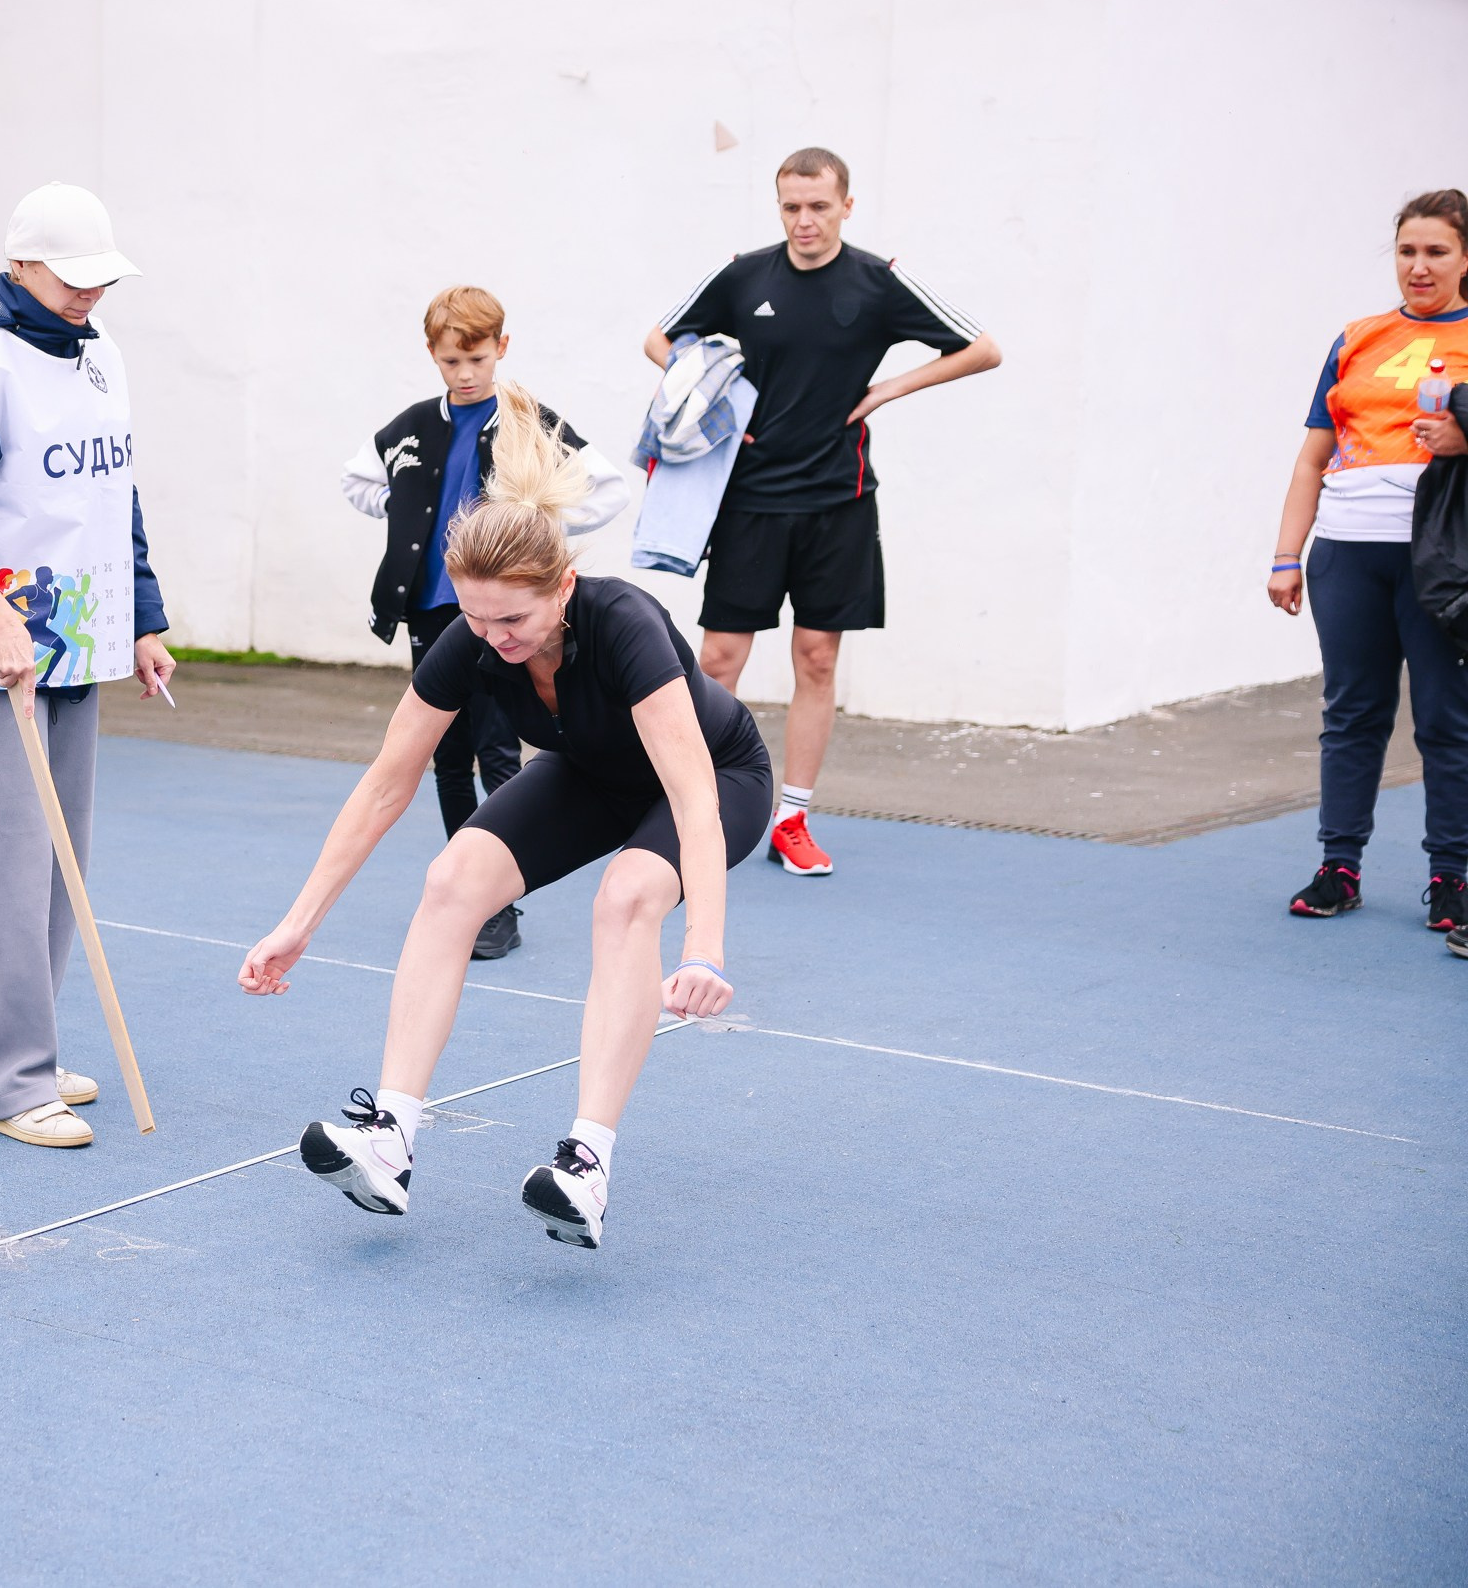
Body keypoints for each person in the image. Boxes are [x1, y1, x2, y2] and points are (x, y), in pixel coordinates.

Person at [242, 392, 771, 1251]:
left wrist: (703, 945)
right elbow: (385, 786)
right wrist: (298, 923)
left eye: (513, 618)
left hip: (712, 776)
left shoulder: (626, 625)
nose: (494, 636)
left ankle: (586, 1166)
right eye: (476, 616)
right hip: (593, 770)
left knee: (627, 893)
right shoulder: (475, 640)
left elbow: (692, 797)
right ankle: (390, 1138)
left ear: (563, 586)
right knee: (453, 878)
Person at [0, 182, 176, 1149]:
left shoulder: (104, 358)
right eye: (71, 277)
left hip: (81, 643)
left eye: (102, 278)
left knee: (60, 860)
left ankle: (0, 1051)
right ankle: (10, 1085)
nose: (90, 294)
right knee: (9, 861)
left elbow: (113, 497)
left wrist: (143, 619)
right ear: (19, 266)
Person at [648, 146, 1001, 877]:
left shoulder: (879, 282)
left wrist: (888, 390)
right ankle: (699, 806)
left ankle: (793, 817)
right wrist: (712, 399)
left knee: (817, 658)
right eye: (791, 207)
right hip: (748, 499)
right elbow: (661, 337)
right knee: (718, 659)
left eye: (818, 206)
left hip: (838, 501)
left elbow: (982, 348)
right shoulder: (747, 274)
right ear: (779, 206)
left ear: (846, 204)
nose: (804, 220)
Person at [340, 286, 626, 960]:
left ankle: (499, 900)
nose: (464, 373)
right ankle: (463, 882)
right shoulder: (413, 425)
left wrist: (540, 525)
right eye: (449, 362)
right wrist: (408, 509)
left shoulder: (530, 420)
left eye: (474, 358)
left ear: (501, 348)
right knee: (447, 753)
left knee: (500, 751)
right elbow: (356, 479)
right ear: (433, 357)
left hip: (502, 617)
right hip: (434, 610)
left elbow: (607, 486)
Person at [1266, 188, 1468, 937]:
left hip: (1440, 560)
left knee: (1448, 721)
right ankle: (1338, 865)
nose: (1419, 267)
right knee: (1352, 712)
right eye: (1408, 251)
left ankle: (1452, 877)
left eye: (1436, 251)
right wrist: (1288, 554)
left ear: (1465, 257)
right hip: (1346, 552)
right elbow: (1312, 458)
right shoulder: (1356, 336)